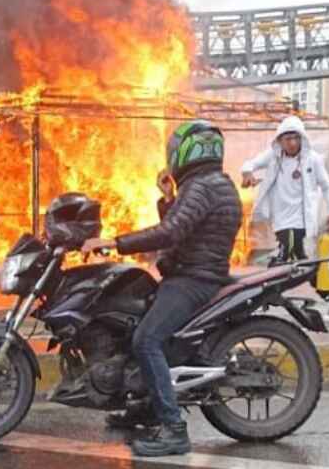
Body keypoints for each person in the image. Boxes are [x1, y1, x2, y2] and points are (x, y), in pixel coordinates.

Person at [82, 120, 241, 458]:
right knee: (132, 325)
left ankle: (173, 429)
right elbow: (185, 226)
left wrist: (115, 242)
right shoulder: (210, 184)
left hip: (193, 279)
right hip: (190, 272)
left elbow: (170, 233)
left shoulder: (203, 187)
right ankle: (144, 406)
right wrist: (169, 196)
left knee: (146, 339)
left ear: (187, 151)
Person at [241, 115, 329, 316]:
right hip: (281, 221)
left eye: (295, 138)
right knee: (301, 262)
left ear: (301, 138)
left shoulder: (312, 159)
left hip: (302, 221)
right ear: (280, 140)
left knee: (285, 258)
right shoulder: (274, 156)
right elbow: (249, 164)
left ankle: (265, 295)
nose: (292, 143)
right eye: (287, 139)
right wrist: (247, 174)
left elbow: (328, 187)